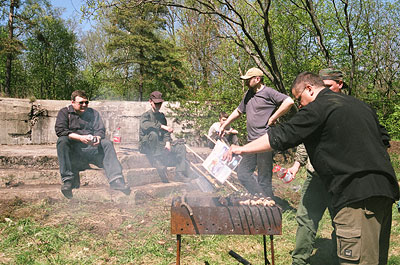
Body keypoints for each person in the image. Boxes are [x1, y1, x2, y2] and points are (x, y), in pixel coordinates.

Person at [225, 72, 399, 264]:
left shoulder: (319, 107)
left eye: (299, 99)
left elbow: (281, 136)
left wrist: (242, 148)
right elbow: (383, 138)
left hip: (356, 197)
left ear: (309, 88)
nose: (300, 105)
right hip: (384, 193)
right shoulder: (360, 105)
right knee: (376, 259)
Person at [289, 68, 347, 265]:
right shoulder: (314, 108)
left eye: (329, 86)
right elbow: (305, 139)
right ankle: (299, 261)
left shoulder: (349, 109)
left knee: (341, 223)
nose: (326, 91)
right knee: (305, 218)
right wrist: (297, 164)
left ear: (340, 84)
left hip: (338, 179)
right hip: (315, 176)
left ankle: (339, 260)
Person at [219, 67, 294, 197]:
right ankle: (260, 198)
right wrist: (225, 124)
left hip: (265, 142)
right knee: (243, 174)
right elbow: (238, 111)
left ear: (257, 79)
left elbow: (289, 101)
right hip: (251, 142)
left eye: (248, 80)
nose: (246, 82)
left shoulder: (269, 92)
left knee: (264, 180)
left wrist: (273, 117)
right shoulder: (248, 94)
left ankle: (269, 209)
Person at [55, 90, 131, 199]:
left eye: (86, 102)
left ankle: (116, 180)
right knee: (62, 141)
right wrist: (80, 138)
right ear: (72, 102)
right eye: (81, 103)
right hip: (73, 151)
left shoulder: (93, 113)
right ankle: (68, 180)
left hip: (91, 148)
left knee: (107, 143)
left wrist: (97, 138)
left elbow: (100, 130)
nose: (84, 105)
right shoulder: (64, 112)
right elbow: (60, 131)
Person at [139, 91, 189, 183]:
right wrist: (162, 126)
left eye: (160, 103)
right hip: (148, 146)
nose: (158, 105)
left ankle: (179, 173)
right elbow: (145, 125)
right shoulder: (146, 115)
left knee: (180, 146)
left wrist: (167, 143)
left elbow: (166, 133)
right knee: (153, 134)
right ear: (150, 101)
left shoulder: (161, 116)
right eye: (156, 103)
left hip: (160, 145)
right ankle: (157, 162)